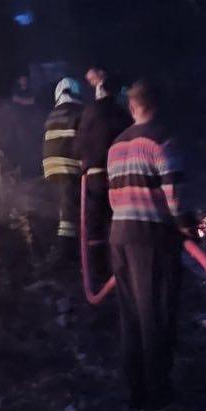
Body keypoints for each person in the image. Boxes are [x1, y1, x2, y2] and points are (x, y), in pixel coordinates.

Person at [106, 80, 195, 410]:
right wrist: (187, 227)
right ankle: (158, 391)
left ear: (132, 108)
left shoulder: (115, 145)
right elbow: (175, 195)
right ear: (156, 105)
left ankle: (136, 391)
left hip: (120, 237)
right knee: (155, 313)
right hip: (152, 239)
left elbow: (114, 195)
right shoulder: (162, 140)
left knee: (131, 316)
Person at [75, 67, 132, 287]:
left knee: (96, 226)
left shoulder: (90, 111)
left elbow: (79, 143)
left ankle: (99, 272)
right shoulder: (122, 114)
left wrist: (83, 160)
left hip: (95, 177)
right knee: (117, 223)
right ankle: (122, 269)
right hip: (119, 177)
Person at [42, 77, 85, 260]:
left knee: (62, 206)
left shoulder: (52, 114)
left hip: (50, 167)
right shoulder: (80, 112)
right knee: (70, 209)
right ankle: (65, 251)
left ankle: (59, 244)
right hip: (70, 165)